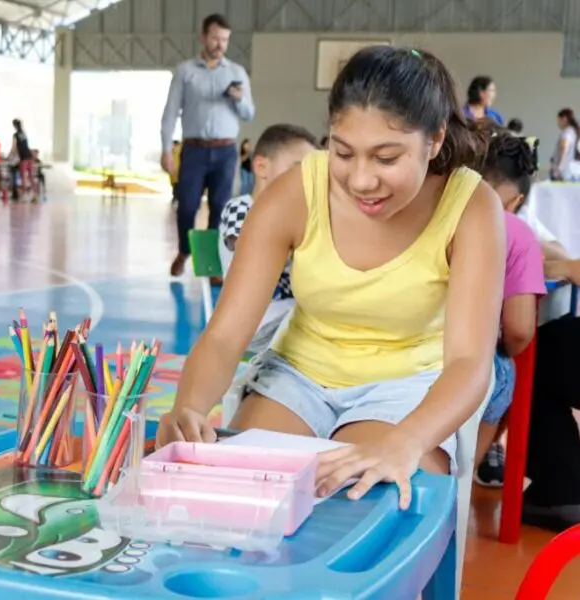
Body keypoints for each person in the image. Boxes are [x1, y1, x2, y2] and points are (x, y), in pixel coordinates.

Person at [157, 46, 505, 505]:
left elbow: (468, 363)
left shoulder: (471, 207)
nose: (361, 180)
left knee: (366, 500)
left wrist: (408, 440)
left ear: (435, 139)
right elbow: (224, 336)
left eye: (386, 158)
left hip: (408, 385)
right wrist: (189, 408)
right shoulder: (295, 193)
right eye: (343, 152)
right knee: (246, 495)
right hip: (297, 375)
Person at [473, 131, 546, 487]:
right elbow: (519, 330)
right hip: (471, 364)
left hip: (404, 351)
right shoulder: (517, 233)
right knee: (503, 373)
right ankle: (472, 467)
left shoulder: (431, 212)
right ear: (516, 200)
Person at [160, 13, 255, 278]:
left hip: (225, 151)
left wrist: (238, 99)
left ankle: (212, 263)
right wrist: (167, 149)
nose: (219, 44)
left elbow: (249, 113)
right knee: (187, 205)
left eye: (224, 39)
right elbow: (170, 112)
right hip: (194, 150)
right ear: (203, 37)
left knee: (220, 207)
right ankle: (184, 251)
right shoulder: (185, 71)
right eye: (215, 38)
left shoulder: (237, 73)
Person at [219, 124, 319, 351]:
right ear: (262, 167)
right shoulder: (242, 208)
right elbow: (255, 255)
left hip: (293, 315)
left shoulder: (298, 214)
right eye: (298, 169)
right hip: (257, 321)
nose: (308, 180)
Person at [10, 119, 37, 202]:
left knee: (23, 177)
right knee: (31, 177)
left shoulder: (15, 135)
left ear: (14, 126)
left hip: (24, 159)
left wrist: (9, 156)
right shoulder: (24, 133)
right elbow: (25, 145)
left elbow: (14, 148)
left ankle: (24, 196)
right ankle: (35, 196)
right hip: (29, 157)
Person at [550, 108, 580, 181]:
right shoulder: (574, 132)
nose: (558, 122)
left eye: (558, 120)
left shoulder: (567, 132)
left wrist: (559, 168)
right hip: (572, 170)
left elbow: (564, 150)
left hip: (563, 171)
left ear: (564, 119)